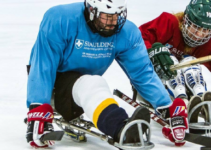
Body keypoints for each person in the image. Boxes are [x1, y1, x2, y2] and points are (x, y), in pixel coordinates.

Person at [26, 0, 188, 148]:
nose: (113, 22)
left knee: (92, 83)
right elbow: (43, 64)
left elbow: (142, 73)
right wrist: (38, 106)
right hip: (53, 82)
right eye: (106, 16)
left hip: (84, 84)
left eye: (118, 15)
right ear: (91, 10)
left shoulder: (127, 33)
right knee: (92, 83)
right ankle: (120, 127)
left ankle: (122, 125)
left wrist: (167, 107)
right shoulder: (61, 19)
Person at [138, 0, 211, 132]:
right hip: (156, 82)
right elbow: (139, 36)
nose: (199, 35)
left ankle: (200, 100)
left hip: (189, 86)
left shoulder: (208, 43)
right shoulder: (169, 22)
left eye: (205, 30)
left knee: (191, 62)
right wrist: (151, 51)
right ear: (185, 20)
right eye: (196, 27)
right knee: (171, 59)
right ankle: (180, 101)